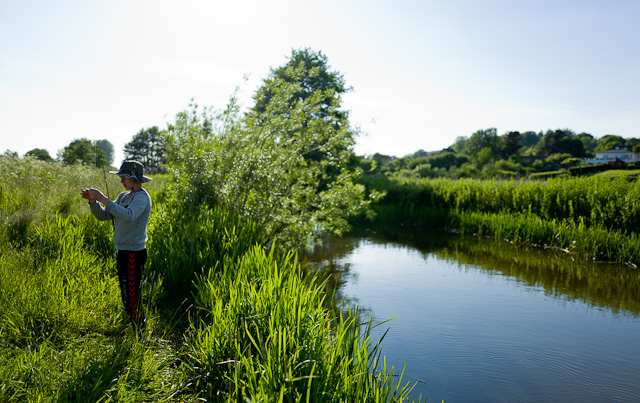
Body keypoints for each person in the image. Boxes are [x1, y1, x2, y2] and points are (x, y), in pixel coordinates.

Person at [81, 160, 152, 332]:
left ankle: (140, 333)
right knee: (126, 291)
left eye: (124, 178)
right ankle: (132, 324)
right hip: (122, 251)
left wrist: (104, 199)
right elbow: (105, 215)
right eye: (121, 177)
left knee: (134, 294)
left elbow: (129, 216)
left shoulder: (142, 197)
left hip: (135, 253)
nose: (121, 181)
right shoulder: (123, 196)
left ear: (135, 178)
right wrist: (93, 202)